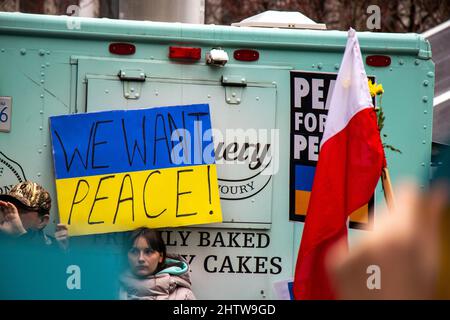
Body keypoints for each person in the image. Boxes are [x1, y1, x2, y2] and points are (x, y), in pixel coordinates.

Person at [120, 227, 196, 300]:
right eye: (134, 252)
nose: (141, 259)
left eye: (148, 252)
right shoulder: (112, 292)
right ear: (126, 256)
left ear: (161, 256)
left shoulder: (183, 296)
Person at [0, 180, 68, 249]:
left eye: (19, 210)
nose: (8, 214)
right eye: (4, 208)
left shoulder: (54, 251)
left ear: (42, 221)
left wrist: (19, 234)